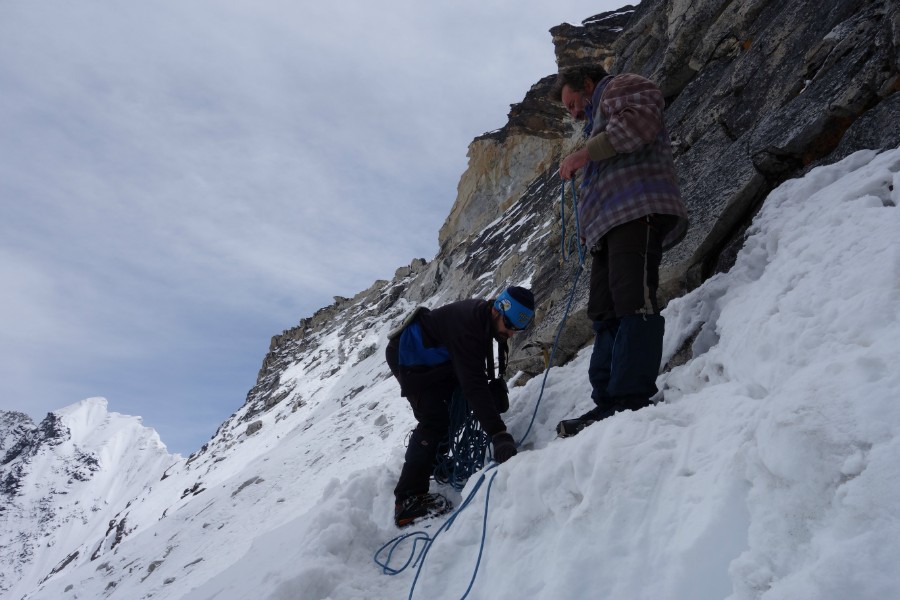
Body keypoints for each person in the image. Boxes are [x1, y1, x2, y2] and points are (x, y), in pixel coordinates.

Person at [551, 66, 689, 437]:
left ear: (588, 85)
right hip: (609, 226)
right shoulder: (595, 123)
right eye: (568, 110)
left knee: (633, 302)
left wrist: (582, 156)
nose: (574, 113)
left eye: (573, 103)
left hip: (637, 209)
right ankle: (608, 401)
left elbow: (638, 126)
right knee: (604, 312)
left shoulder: (621, 87)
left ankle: (629, 399)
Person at [385, 286, 535, 527]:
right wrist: (498, 434)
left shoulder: (485, 319)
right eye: (510, 326)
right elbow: (473, 385)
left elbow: (475, 373)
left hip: (436, 360)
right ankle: (407, 499)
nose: (512, 333)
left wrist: (493, 387)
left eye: (518, 329)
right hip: (410, 357)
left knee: (454, 405)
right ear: (498, 311)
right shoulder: (469, 326)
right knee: (433, 419)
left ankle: (435, 460)